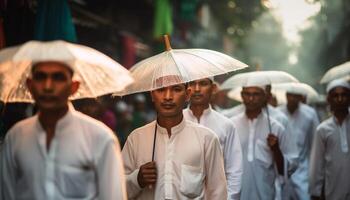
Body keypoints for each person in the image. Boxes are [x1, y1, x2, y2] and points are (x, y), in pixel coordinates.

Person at [0, 61, 127, 200]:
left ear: (74, 86)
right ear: (30, 85)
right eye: (40, 77)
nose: (48, 86)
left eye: (58, 78)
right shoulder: (16, 136)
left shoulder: (101, 138)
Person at [122, 77, 227, 199]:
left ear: (187, 94)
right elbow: (116, 190)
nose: (167, 97)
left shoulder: (206, 139)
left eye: (176, 89)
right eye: (161, 89)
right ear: (152, 95)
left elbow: (218, 193)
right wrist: (137, 179)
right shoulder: (136, 139)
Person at [183, 78, 243, 200]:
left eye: (203, 83)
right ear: (186, 89)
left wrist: (229, 198)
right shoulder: (176, 121)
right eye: (192, 83)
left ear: (213, 88)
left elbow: (234, 170)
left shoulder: (226, 125)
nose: (197, 89)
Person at [231, 84, 291, 200]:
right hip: (236, 193)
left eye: (256, 94)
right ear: (241, 96)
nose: (251, 99)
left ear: (264, 97)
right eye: (247, 94)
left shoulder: (276, 127)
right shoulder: (231, 125)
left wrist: (276, 149)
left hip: (265, 193)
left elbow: (286, 169)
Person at [309, 79, 350, 200]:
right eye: (335, 96)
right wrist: (315, 192)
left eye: (344, 95)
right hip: (332, 192)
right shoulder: (322, 130)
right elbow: (317, 164)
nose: (340, 99)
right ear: (329, 100)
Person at [278, 91, 319, 200]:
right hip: (282, 172)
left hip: (303, 172)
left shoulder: (310, 114)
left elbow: (315, 145)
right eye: (290, 95)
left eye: (295, 95)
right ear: (286, 95)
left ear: (300, 97)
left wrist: (314, 176)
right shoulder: (278, 114)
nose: (292, 98)